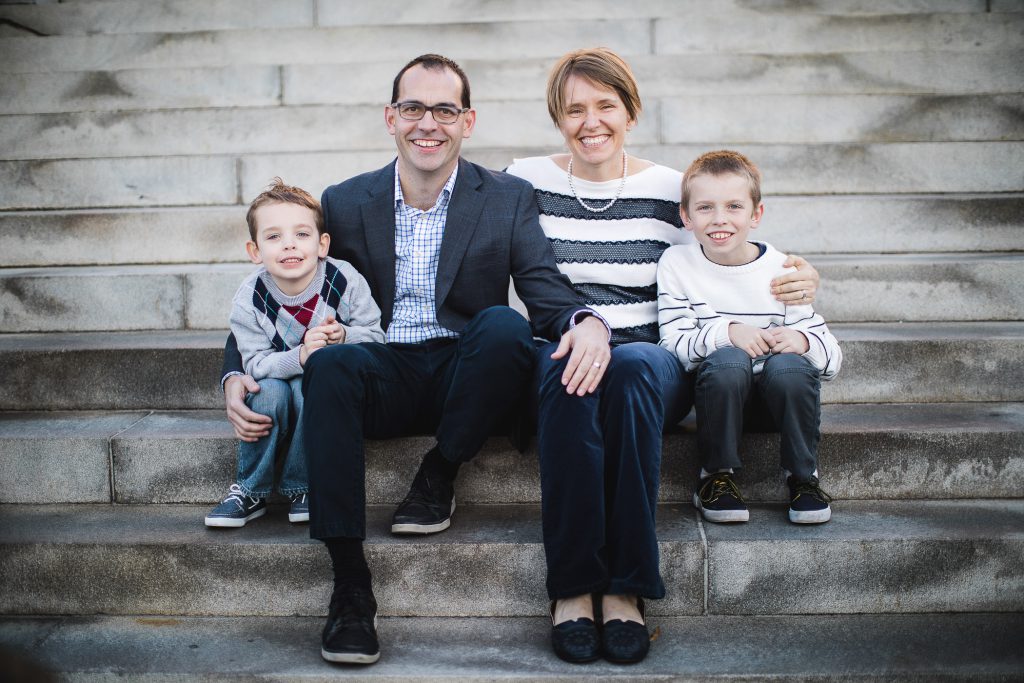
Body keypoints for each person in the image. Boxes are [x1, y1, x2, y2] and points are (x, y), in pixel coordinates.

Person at [220, 54, 610, 665]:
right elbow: (282, 281)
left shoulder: (506, 197)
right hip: (381, 368)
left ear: (467, 121)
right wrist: (236, 370)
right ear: (391, 117)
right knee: (330, 362)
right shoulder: (345, 202)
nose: (428, 123)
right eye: (413, 108)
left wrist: (588, 323)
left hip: (467, 374)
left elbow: (542, 288)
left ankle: (441, 471)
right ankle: (350, 587)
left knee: (505, 325)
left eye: (445, 110)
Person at [506, 48, 821, 664]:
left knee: (628, 368)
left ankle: (627, 588)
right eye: (574, 109)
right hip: (563, 345)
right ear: (557, 118)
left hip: (650, 362)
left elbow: (728, 254)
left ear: (632, 111)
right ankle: (573, 587)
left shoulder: (667, 188)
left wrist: (798, 275)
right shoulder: (525, 181)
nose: (590, 121)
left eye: (605, 105)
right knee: (566, 372)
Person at [658, 150, 842, 525]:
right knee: (729, 358)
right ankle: (716, 476)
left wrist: (803, 342)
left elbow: (832, 358)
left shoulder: (783, 270)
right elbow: (673, 345)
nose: (719, 219)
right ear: (686, 216)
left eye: (734, 207)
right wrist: (728, 333)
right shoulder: (677, 264)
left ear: (756, 215)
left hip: (776, 402)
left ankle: (804, 478)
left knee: (790, 365)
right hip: (719, 399)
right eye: (705, 207)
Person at [207, 179, 384, 528]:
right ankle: (250, 489)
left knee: (310, 390)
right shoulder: (249, 298)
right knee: (266, 391)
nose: (288, 244)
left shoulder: (343, 280)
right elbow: (254, 363)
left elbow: (377, 336)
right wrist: (300, 356)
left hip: (324, 381)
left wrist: (344, 335)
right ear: (254, 251)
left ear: (322, 244)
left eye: (301, 235)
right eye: (273, 237)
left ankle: (303, 486)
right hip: (275, 376)